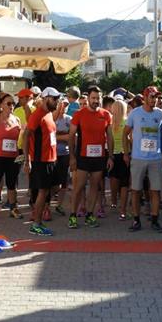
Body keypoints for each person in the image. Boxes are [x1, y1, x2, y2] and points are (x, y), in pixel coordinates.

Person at [124, 86, 162, 233]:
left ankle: (155, 220)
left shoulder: (160, 113)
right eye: (151, 97)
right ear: (144, 98)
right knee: (136, 190)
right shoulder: (135, 113)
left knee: (155, 190)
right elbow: (125, 133)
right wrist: (126, 153)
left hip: (155, 158)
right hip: (138, 158)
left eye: (156, 97)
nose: (154, 100)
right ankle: (136, 220)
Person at [68, 86, 114, 229]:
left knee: (95, 186)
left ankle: (89, 214)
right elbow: (71, 136)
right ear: (88, 98)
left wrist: (110, 156)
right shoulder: (79, 114)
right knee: (79, 186)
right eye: (93, 98)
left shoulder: (106, 114)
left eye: (98, 98)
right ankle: (73, 215)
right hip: (82, 156)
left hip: (99, 157)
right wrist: (72, 157)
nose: (95, 101)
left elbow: (110, 137)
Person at [23, 87, 60, 236]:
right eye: (54, 99)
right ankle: (36, 224)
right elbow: (26, 136)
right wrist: (27, 159)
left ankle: (38, 218)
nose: (57, 101)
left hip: (51, 159)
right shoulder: (37, 115)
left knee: (52, 190)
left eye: (57, 99)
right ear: (46, 98)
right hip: (40, 160)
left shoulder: (49, 114)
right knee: (42, 191)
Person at [108, 95, 130, 220]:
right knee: (124, 183)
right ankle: (123, 210)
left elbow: (109, 142)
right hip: (125, 154)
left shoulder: (110, 124)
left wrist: (110, 156)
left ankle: (113, 202)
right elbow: (130, 140)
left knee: (114, 179)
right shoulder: (127, 123)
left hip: (113, 155)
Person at [52, 98, 72, 218]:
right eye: (62, 105)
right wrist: (63, 136)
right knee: (52, 182)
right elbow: (49, 136)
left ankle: (59, 205)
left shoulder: (69, 119)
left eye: (66, 105)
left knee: (63, 182)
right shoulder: (51, 118)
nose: (64, 107)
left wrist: (57, 136)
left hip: (65, 154)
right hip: (52, 155)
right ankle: (46, 206)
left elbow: (72, 137)